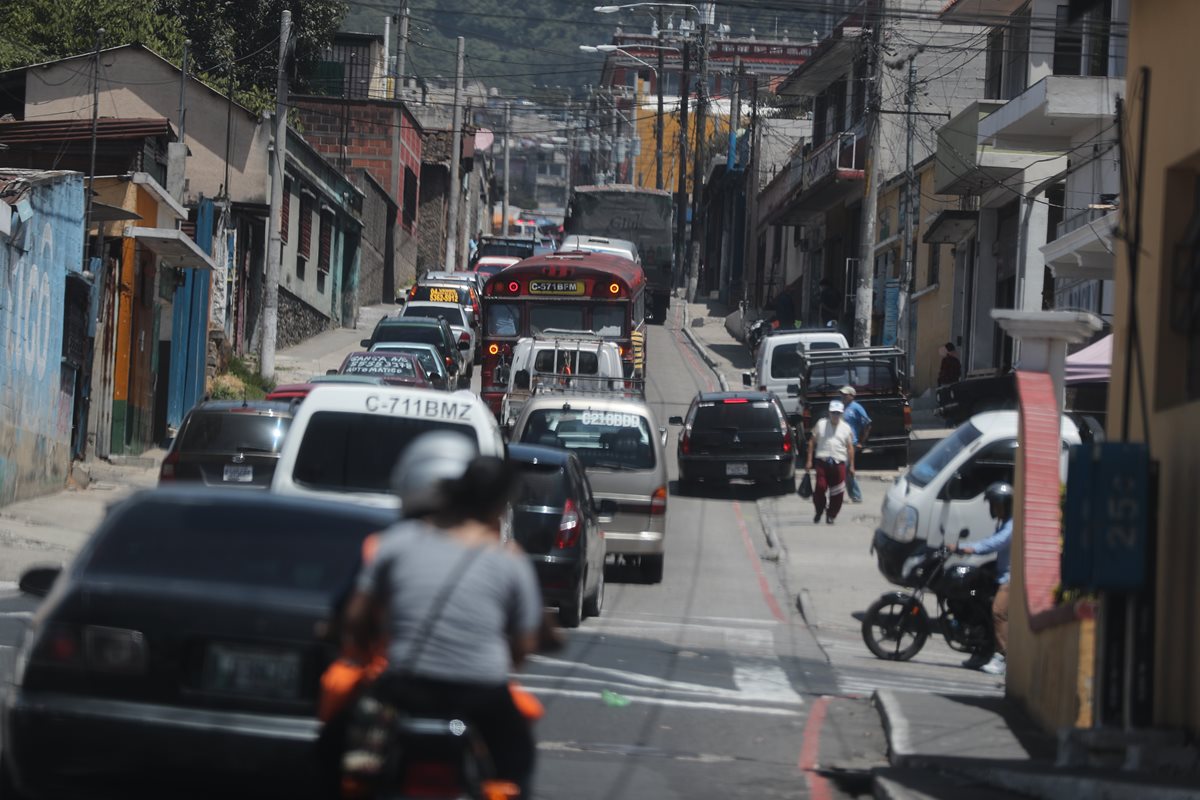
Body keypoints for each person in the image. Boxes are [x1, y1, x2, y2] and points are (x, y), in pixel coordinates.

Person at [340, 431, 544, 793]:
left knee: (336, 750)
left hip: (405, 687)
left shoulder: (397, 543)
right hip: (483, 692)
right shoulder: (510, 562)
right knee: (518, 764)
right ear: (499, 507)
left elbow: (355, 618)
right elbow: (524, 646)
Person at [952, 481, 1013, 676]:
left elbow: (995, 543)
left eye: (996, 504)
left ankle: (1003, 657)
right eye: (992, 505)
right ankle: (983, 650)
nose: (994, 509)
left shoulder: (1012, 525)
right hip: (999, 573)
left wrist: (968, 547)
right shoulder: (1004, 523)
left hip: (1010, 579)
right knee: (975, 596)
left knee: (998, 612)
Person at [805, 399, 856, 524]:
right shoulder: (821, 424)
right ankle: (819, 510)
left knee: (838, 491)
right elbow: (812, 442)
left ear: (841, 414)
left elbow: (850, 448)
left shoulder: (846, 428)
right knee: (820, 487)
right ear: (829, 413)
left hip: (839, 463)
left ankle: (831, 515)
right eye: (833, 413)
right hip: (822, 461)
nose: (835, 416)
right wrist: (809, 461)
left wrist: (852, 465)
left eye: (838, 413)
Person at [839, 386, 871, 503]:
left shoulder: (856, 408)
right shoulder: (840, 407)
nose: (843, 396)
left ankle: (855, 495)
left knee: (846, 468)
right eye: (842, 394)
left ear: (852, 396)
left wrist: (861, 442)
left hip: (851, 443)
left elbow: (867, 424)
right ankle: (852, 495)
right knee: (843, 469)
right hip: (840, 442)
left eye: (845, 394)